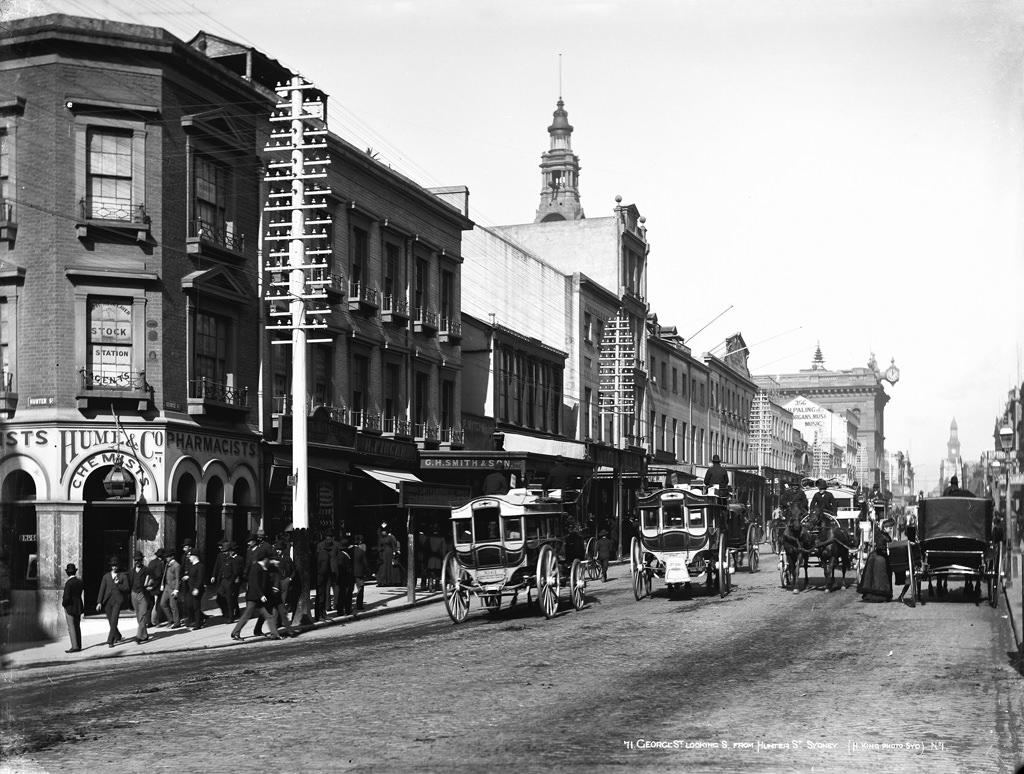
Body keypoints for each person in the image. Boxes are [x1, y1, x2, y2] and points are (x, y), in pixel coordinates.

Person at [231, 546, 283, 641]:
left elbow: (264, 584)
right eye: (268, 558)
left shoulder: (264, 568)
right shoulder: (256, 568)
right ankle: (235, 633)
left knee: (268, 616)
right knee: (247, 615)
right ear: (265, 559)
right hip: (254, 597)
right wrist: (261, 595)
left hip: (259, 597)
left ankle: (275, 634)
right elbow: (255, 583)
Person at [96, 556, 129, 647]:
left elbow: (126, 588)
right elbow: (102, 590)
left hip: (117, 601)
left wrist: (119, 584)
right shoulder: (106, 577)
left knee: (114, 619)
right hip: (107, 601)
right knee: (111, 621)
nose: (114, 567)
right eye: (113, 565)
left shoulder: (123, 576)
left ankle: (110, 641)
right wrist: (99, 602)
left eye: (116, 565)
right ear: (111, 566)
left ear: (118, 566)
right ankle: (117, 635)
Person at [857, 519, 893, 602]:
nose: (890, 530)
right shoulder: (881, 535)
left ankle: (883, 595)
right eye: (890, 528)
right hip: (878, 557)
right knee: (879, 576)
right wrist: (887, 549)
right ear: (885, 528)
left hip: (881, 556)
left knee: (883, 575)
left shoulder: (885, 535)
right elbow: (880, 547)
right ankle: (878, 595)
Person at [126, 550, 152, 644]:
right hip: (134, 594)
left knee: (142, 615)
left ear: (141, 560)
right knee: (138, 616)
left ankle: (139, 636)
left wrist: (150, 584)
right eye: (135, 560)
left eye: (138, 560)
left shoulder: (146, 570)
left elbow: (154, 578)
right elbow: (129, 583)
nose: (137, 562)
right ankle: (144, 635)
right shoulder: (132, 572)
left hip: (143, 595)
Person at [315, 534, 339, 621]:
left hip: (324, 575)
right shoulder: (324, 555)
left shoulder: (321, 551)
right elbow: (322, 567)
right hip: (323, 575)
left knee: (325, 593)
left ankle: (324, 611)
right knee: (322, 594)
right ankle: (321, 614)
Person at [61, 563, 84, 653]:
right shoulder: (79, 582)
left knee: (71, 626)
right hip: (78, 606)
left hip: (70, 606)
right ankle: (79, 645)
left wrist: (64, 604)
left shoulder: (68, 583)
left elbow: (66, 597)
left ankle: (74, 646)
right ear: (75, 572)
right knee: (77, 626)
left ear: (67, 573)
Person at [159, 550, 181, 629]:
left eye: (168, 557)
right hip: (167, 586)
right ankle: (170, 619)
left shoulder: (176, 565)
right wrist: (162, 584)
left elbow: (177, 578)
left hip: (173, 587)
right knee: (163, 603)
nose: (166, 558)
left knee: (173, 605)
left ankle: (176, 622)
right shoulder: (167, 564)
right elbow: (164, 574)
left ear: (172, 557)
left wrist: (176, 590)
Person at [184, 551, 207, 630]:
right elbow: (192, 575)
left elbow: (200, 578)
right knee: (189, 604)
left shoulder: (200, 566)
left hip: (197, 589)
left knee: (196, 606)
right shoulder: (192, 566)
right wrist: (188, 577)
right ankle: (200, 618)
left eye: (190, 556)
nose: (189, 558)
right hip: (191, 589)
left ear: (194, 556)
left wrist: (197, 588)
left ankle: (198, 624)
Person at [147, 549, 167, 627]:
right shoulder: (160, 563)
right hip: (157, 586)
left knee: (151, 604)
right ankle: (154, 621)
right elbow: (158, 576)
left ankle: (148, 621)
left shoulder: (151, 562)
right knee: (157, 604)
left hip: (150, 585)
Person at [336, 537, 355, 617]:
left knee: (347, 594)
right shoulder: (342, 556)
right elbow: (342, 569)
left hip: (347, 579)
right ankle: (343, 609)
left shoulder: (346, 555)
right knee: (344, 595)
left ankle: (347, 608)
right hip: (345, 579)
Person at [426, 525, 446, 592]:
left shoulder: (429, 538)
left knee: (431, 573)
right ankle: (437, 586)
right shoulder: (441, 538)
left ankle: (430, 585)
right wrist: (444, 558)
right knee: (437, 573)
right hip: (438, 558)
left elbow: (427, 548)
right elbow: (443, 549)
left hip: (431, 558)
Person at [351, 535, 369, 609]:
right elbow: (365, 563)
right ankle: (359, 605)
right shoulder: (361, 552)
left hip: (351, 572)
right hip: (359, 572)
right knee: (360, 588)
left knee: (349, 590)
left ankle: (348, 606)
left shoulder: (349, 551)